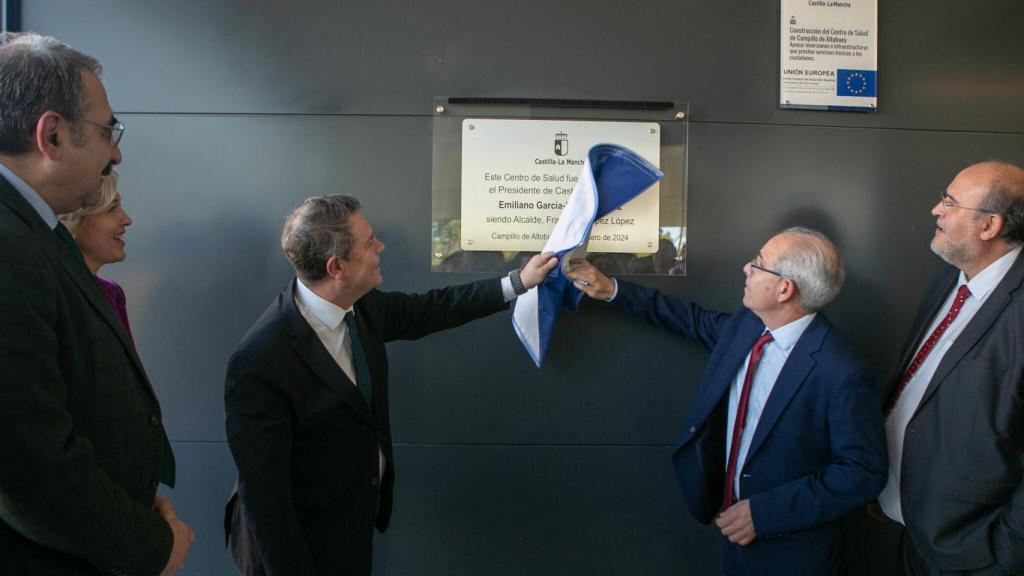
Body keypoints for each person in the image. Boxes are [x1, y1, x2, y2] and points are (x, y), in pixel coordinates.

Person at [224, 194, 558, 576]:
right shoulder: (260, 361)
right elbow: (267, 504)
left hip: (350, 525)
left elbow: (434, 309)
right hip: (296, 548)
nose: (380, 247)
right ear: (337, 268)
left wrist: (518, 281)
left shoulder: (362, 307)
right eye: (369, 243)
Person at [567, 227, 886, 575]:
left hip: (794, 553)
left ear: (784, 289)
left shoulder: (841, 371)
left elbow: (861, 473)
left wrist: (763, 514)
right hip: (733, 540)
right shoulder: (747, 327)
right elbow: (690, 320)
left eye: (758, 264)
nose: (746, 269)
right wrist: (613, 289)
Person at [0, 33, 192, 575]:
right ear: (52, 134)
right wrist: (150, 546)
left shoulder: (29, 233)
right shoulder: (7, 245)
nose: (117, 151)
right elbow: (30, 464)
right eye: (109, 131)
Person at [878, 161, 1024, 575]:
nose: (935, 210)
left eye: (950, 202)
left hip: (975, 553)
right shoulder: (947, 282)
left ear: (989, 225)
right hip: (912, 527)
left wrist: (1004, 553)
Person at [59, 169, 135, 342]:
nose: (127, 219)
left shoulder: (112, 293)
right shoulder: (55, 295)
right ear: (73, 219)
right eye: (112, 209)